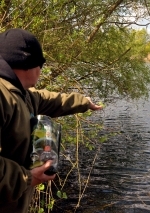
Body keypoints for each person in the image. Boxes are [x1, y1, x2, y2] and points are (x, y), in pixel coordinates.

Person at [0, 28, 102, 213]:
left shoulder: (22, 94)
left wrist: (84, 103)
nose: (41, 71)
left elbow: (50, 99)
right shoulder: (2, 96)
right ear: (28, 64)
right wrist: (27, 177)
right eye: (41, 65)